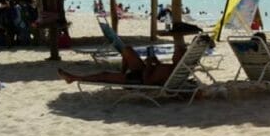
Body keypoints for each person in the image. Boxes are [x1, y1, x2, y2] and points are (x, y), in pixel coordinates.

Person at [57, 40, 202, 86]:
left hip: (139, 79)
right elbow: (158, 74)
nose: (174, 54)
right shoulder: (174, 68)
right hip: (145, 71)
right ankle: (121, 73)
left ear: (179, 58)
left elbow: (147, 81)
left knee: (105, 74)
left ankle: (74, 78)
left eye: (176, 53)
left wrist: (150, 67)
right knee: (127, 50)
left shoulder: (168, 70)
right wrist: (154, 63)